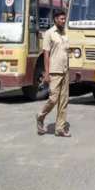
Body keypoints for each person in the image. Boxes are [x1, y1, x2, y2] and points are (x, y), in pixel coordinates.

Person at [36, 9, 71, 138]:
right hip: (54, 72)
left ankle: (60, 128)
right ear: (55, 19)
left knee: (64, 101)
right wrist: (46, 74)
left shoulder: (65, 34)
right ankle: (40, 115)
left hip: (65, 71)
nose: (63, 21)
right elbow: (46, 55)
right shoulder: (49, 34)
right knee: (53, 99)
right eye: (61, 19)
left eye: (64, 18)